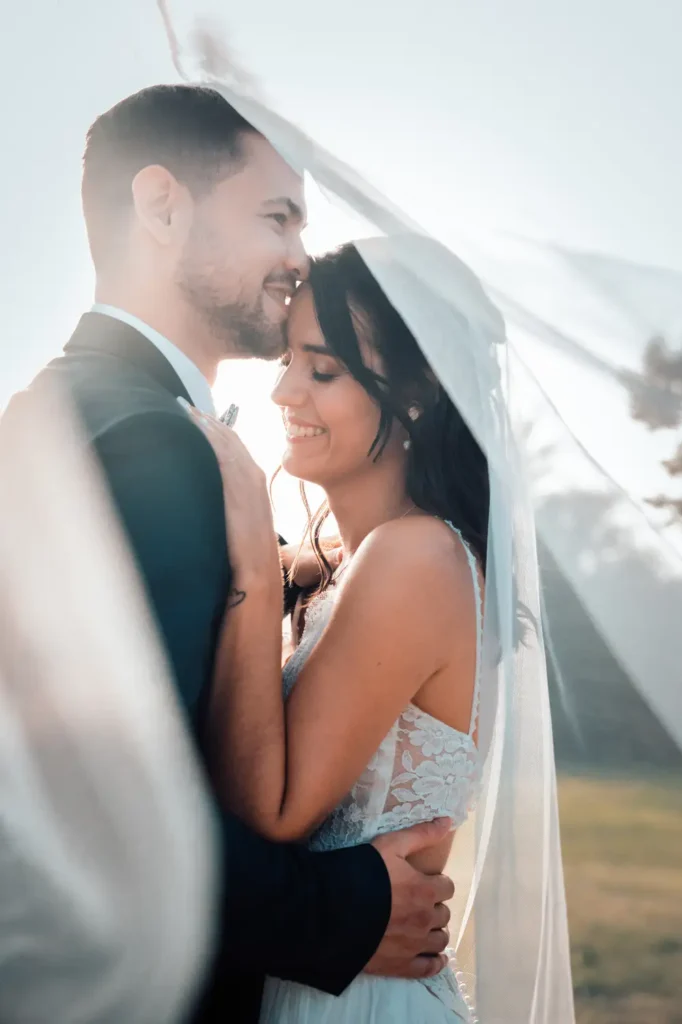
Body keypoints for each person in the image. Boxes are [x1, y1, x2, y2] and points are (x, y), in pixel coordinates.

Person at [17, 84, 454, 1023]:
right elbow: (102, 802)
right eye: (276, 218)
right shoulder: (151, 444)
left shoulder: (66, 412)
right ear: (163, 206)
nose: (298, 258)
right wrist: (340, 911)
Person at [190, 241, 488, 1022]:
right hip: (323, 973)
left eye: (322, 370)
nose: (284, 390)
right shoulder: (357, 565)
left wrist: (252, 557)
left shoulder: (415, 556)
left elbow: (274, 811)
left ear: (417, 393)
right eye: (287, 360)